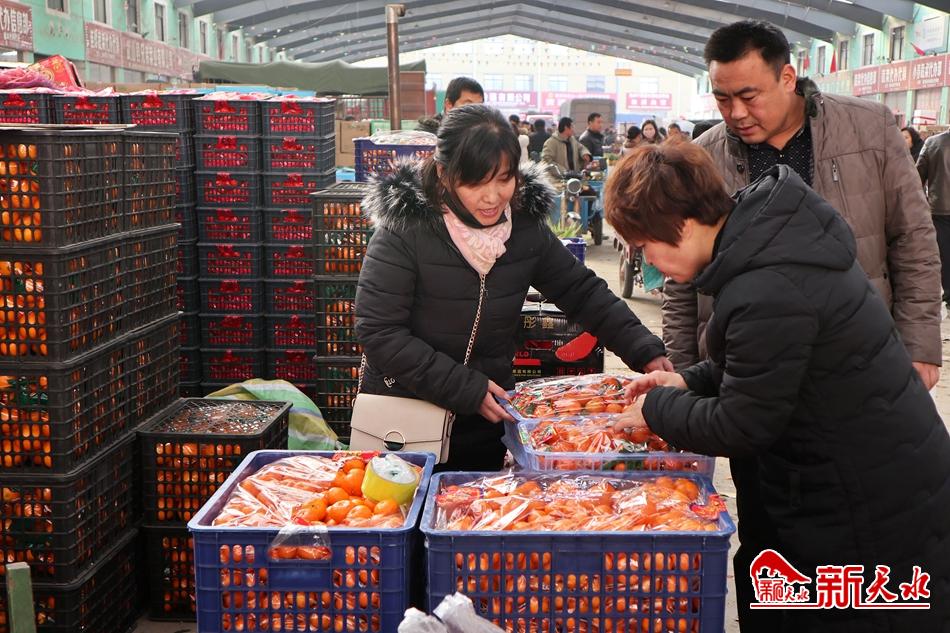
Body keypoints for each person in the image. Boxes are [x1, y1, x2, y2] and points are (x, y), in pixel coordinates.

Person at [660, 20, 943, 632]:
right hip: (753, 363)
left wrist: (920, 342)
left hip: (851, 358)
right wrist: (685, 374)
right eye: (722, 97)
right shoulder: (708, 154)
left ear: (788, 76)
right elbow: (681, 286)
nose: (736, 112)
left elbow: (914, 239)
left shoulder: (867, 128)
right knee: (770, 516)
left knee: (850, 518)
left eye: (749, 95)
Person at [606, 140, 950, 633]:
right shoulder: (761, 249)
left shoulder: (767, 285)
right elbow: (766, 366)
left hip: (864, 506)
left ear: (680, 224)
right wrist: (685, 380)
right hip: (852, 478)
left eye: (644, 247)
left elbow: (744, 422)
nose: (650, 262)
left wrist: (658, 409)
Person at [355, 105, 672, 472]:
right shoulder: (404, 230)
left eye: (504, 179)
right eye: (476, 183)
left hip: (485, 418)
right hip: (405, 420)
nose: (492, 197)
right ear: (444, 174)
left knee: (474, 501)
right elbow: (379, 332)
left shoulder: (523, 229)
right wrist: (465, 388)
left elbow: (583, 292)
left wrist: (643, 349)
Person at [917, 128, 950, 309]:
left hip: (940, 209)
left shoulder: (933, 143)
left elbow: (917, 177)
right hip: (940, 208)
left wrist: (923, 202)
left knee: (945, 254)